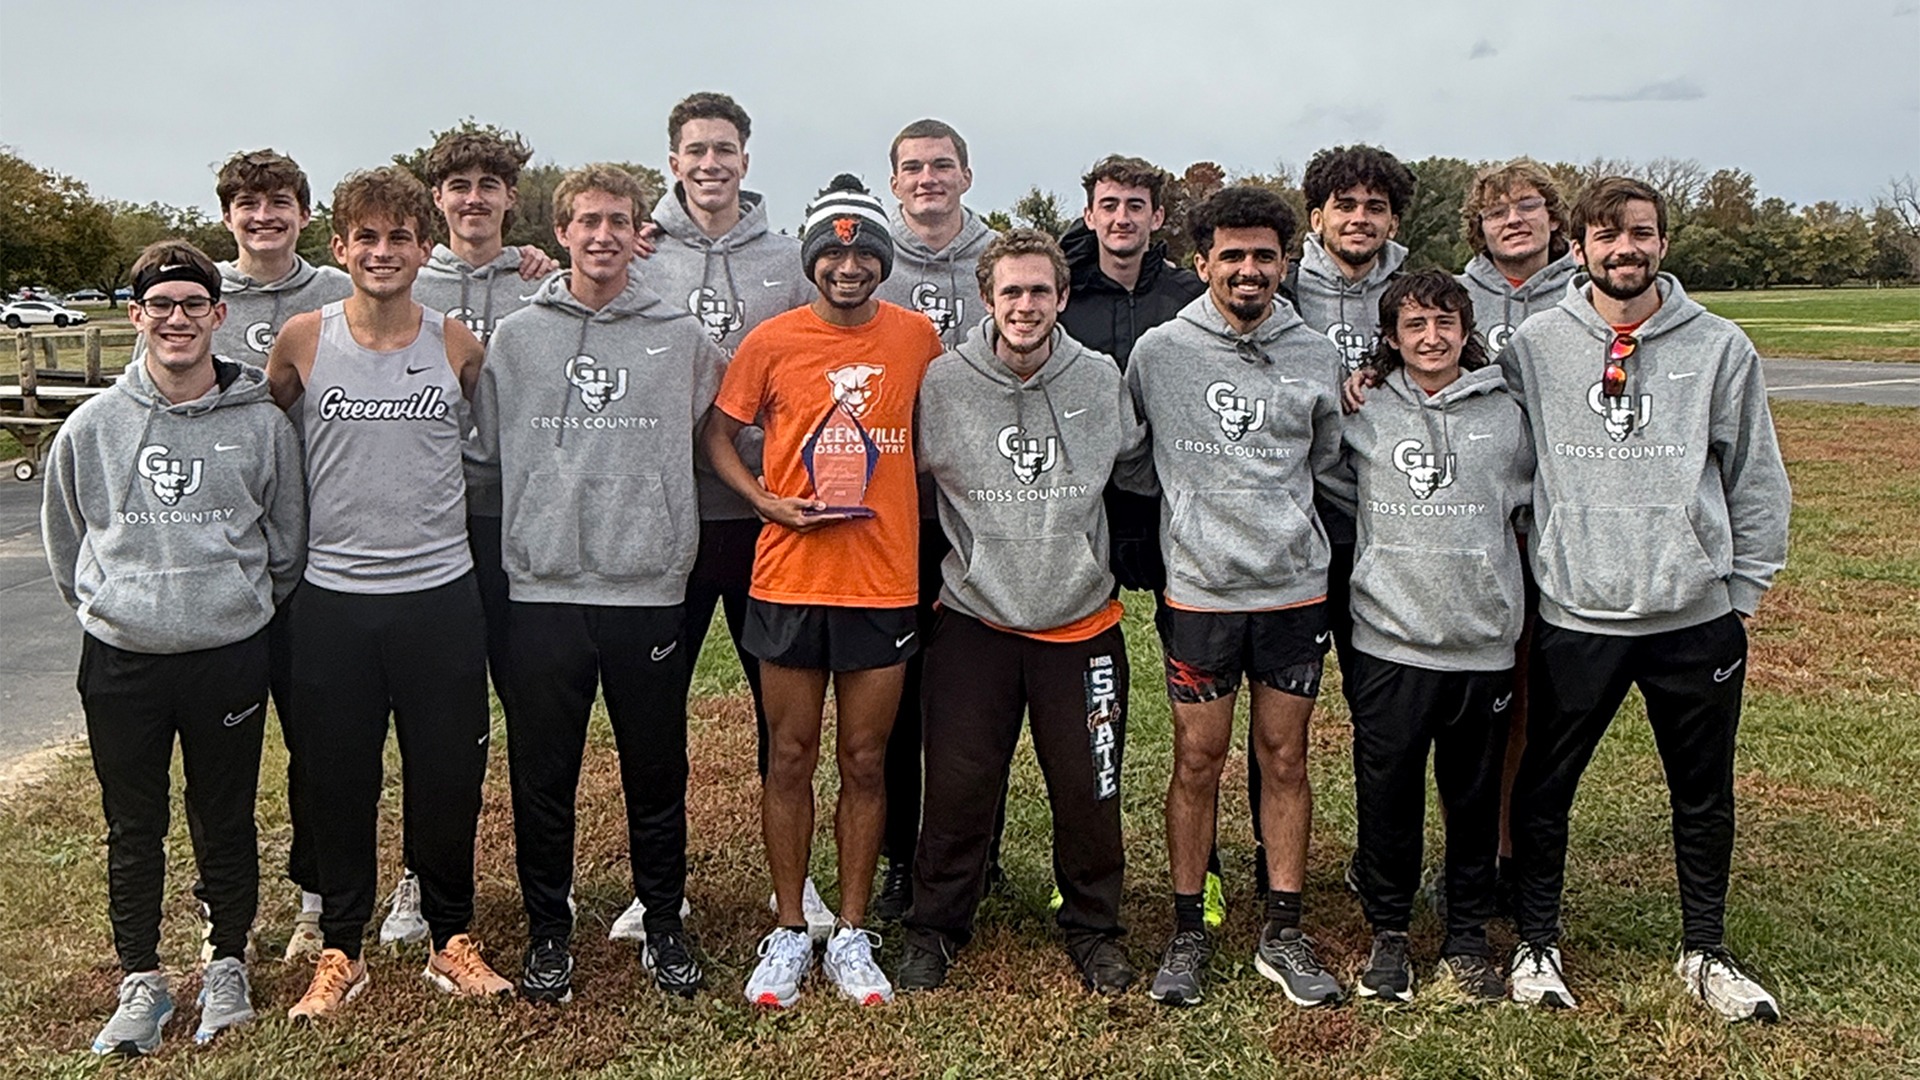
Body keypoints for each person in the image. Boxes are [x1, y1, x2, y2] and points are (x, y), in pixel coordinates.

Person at [1499, 177, 1790, 1022]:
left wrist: (1740, 595)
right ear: (1578, 247)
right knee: (1547, 785)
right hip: (1578, 613)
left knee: (1702, 791)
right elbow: (1483, 432)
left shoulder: (1721, 347)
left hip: (1692, 617)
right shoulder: (1538, 346)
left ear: (1662, 243)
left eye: (1641, 234)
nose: (1623, 249)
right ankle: (1536, 942)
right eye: (1606, 236)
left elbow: (1755, 479)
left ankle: (1705, 950)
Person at [43, 240, 306, 1055]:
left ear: (219, 315)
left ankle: (226, 962)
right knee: (134, 822)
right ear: (137, 317)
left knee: (222, 816)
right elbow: (67, 545)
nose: (179, 319)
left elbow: (286, 544)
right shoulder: (92, 428)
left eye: (195, 304)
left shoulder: (261, 424)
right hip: (124, 657)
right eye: (162, 305)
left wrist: (231, 605)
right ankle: (142, 980)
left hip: (226, 651)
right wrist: (116, 605)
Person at [477, 163, 727, 1002]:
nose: (603, 236)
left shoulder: (681, 336)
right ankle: (551, 931)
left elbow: (726, 429)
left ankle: (663, 921)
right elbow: (481, 454)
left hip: (649, 586)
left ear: (637, 232)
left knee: (656, 770)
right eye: (587, 221)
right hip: (542, 588)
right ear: (562, 232)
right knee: (542, 774)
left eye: (619, 221)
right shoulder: (517, 338)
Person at [266, 166, 510, 1020]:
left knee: (447, 773)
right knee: (337, 778)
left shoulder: (457, 344)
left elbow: (490, 456)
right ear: (340, 248)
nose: (381, 252)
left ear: (422, 247)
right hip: (333, 600)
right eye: (365, 238)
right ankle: (342, 948)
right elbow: (267, 436)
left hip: (440, 597)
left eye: (398, 237)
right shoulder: (302, 339)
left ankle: (452, 938)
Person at [702, 174, 944, 1008]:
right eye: (832, 252)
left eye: (862, 251)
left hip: (881, 580)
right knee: (792, 757)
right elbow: (719, 434)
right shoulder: (772, 341)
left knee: (867, 759)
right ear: (813, 261)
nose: (847, 265)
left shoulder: (917, 340)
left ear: (882, 260)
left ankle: (848, 931)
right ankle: (786, 927)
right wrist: (763, 499)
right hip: (789, 579)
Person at [896, 229, 1147, 995]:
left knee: (1089, 787)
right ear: (987, 299)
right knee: (959, 786)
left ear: (1063, 298)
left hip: (1080, 620)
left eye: (1041, 291)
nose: (1026, 305)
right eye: (1011, 292)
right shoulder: (944, 383)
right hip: (978, 618)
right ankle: (936, 927)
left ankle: (1094, 928)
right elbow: (901, 473)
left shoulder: (1100, 379)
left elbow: (1136, 464)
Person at [1122, 186, 1345, 1008]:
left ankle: (1283, 929)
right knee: (1197, 759)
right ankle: (1187, 929)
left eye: (1264, 256)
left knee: (1284, 758)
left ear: (1285, 263)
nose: (1248, 270)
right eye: (1232, 256)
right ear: (1203, 261)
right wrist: (1196, 509)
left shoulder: (1316, 352)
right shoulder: (1160, 352)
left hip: (1292, 591)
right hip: (1201, 593)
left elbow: (1326, 462)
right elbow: (1134, 459)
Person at [630, 92, 824, 943]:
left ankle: (800, 880)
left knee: (780, 715)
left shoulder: (787, 259)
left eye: (725, 150)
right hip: (668, 512)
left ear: (747, 159)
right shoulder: (637, 251)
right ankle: (654, 888)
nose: (710, 164)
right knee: (654, 710)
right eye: (695, 151)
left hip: (767, 515)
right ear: (672, 160)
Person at [1320, 269, 1532, 1003]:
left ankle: (1467, 935)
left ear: (1465, 331)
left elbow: (1533, 505)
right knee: (1388, 793)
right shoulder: (1365, 410)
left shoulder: (1508, 412)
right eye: (1414, 326)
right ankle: (1388, 932)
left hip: (1481, 641)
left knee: (1473, 796)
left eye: (1445, 323)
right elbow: (1332, 478)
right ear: (1390, 338)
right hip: (1390, 640)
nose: (1432, 338)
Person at [373, 125, 556, 950]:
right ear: (436, 197)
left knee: (534, 709)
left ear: (511, 197)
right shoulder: (408, 278)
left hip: (519, 521)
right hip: (433, 524)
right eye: (458, 185)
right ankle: (419, 876)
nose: (474, 198)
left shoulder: (539, 286)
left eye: (490, 184)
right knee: (433, 716)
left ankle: (547, 874)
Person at [1058, 154, 1222, 923]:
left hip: (1180, 517)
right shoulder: (1060, 293)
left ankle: (1207, 865)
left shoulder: (1192, 297)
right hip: (1085, 514)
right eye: (1108, 205)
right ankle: (1085, 859)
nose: (1121, 218)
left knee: (1199, 711)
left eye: (1136, 206)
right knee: (1087, 702)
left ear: (1159, 216)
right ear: (1088, 214)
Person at [870, 119, 1001, 923]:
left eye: (941, 166)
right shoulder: (867, 263)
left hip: (982, 514)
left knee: (976, 701)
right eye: (913, 168)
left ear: (967, 175)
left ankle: (974, 851)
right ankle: (895, 859)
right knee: (894, 702)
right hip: (891, 517)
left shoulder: (997, 259)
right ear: (894, 182)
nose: (928, 179)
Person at [1459, 158, 1580, 356]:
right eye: (1497, 212)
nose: (1514, 220)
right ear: (1480, 229)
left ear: (1554, 218)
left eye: (1528, 206)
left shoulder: (1587, 297)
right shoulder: (1452, 299)